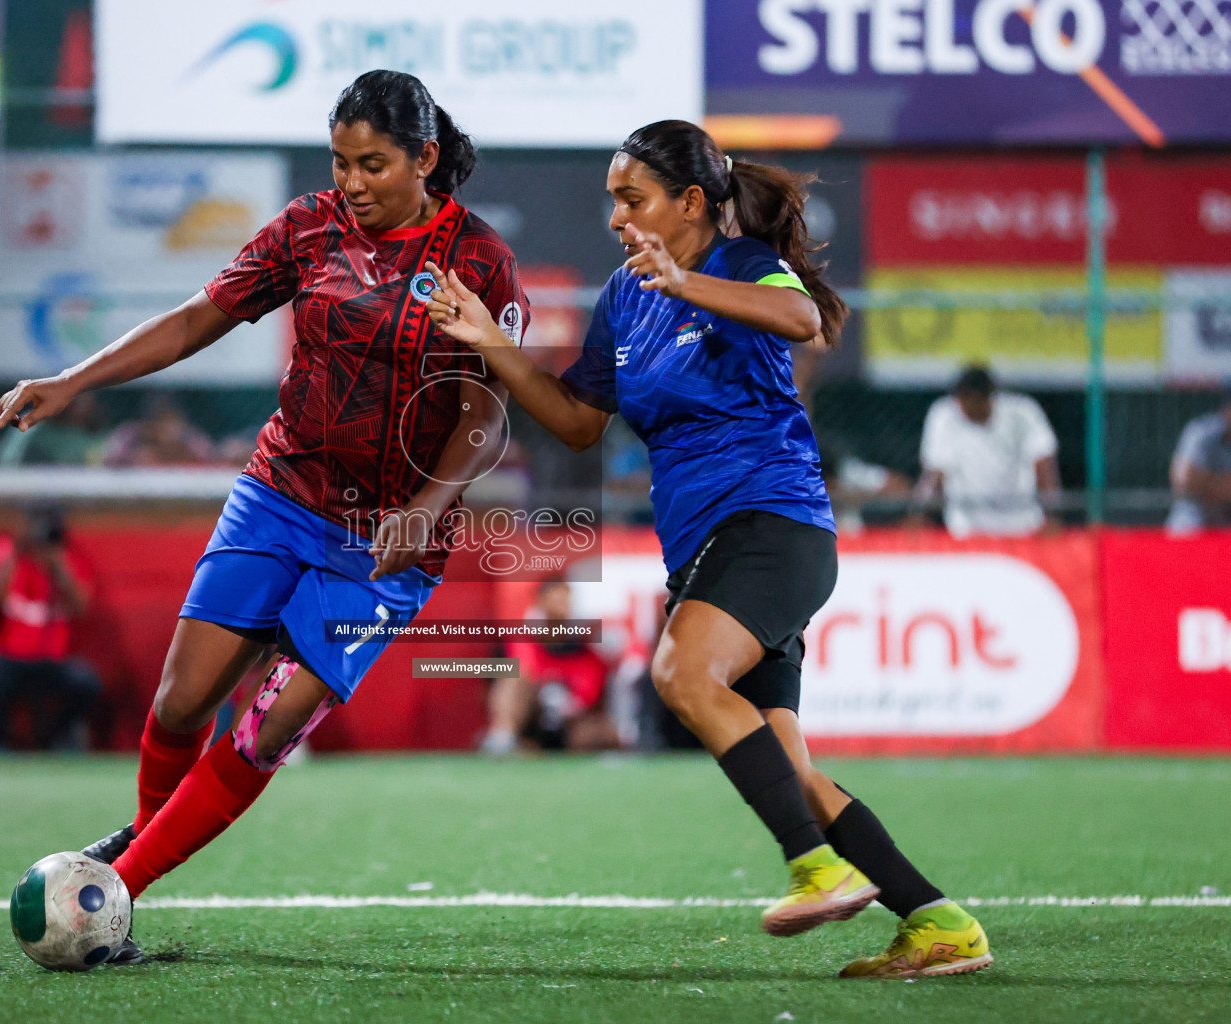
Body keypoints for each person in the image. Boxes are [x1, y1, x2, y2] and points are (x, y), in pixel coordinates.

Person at [423, 119, 990, 979]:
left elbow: (801, 316)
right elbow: (578, 422)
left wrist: (688, 282)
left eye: (632, 198)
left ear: (691, 202)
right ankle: (939, 923)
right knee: (790, 772)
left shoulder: (736, 265)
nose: (615, 216)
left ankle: (815, 867)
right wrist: (492, 345)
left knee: (682, 674)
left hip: (773, 526)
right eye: (611, 199)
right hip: (707, 550)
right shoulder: (625, 295)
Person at [0, 70, 527, 964]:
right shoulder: (309, 225)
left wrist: (429, 505)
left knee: (267, 725)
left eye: (374, 164)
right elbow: (201, 317)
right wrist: (73, 380)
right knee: (180, 703)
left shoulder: (478, 261)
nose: (352, 182)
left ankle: (120, 888)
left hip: (387, 544)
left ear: (425, 158)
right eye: (341, 161)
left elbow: (488, 411)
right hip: (280, 493)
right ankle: (135, 858)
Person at [0, 507, 103, 751]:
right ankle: (0, 741)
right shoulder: (5, 552)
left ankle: (56, 737)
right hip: (8, 657)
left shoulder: (67, 557)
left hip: (53, 660)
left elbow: (81, 607)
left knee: (87, 681)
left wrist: (58, 566)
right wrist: (16, 553)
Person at [914, 365, 1059, 537]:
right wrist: (917, 516)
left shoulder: (1022, 413)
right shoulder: (944, 415)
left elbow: (1044, 466)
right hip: (967, 529)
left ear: (990, 397)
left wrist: (1053, 518)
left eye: (973, 400)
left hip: (1021, 524)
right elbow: (934, 474)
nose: (966, 407)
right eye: (962, 400)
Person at [481, 580, 619, 754]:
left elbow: (590, 697)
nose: (560, 607)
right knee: (513, 678)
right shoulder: (520, 643)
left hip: (569, 723)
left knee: (599, 734)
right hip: (531, 717)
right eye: (554, 600)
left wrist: (570, 707)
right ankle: (503, 738)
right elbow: (501, 687)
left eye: (565, 601)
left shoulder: (587, 653)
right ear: (540, 602)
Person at [1166, 393, 1231, 533]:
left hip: (1225, 521)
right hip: (1193, 520)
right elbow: (1183, 483)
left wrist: (1205, 482)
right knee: (1186, 524)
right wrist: (1221, 486)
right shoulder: (1202, 431)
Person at [0, 390, 108, 467]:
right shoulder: (31, 426)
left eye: (83, 392)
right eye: (71, 392)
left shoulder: (100, 436)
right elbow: (7, 465)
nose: (76, 399)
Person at [102, 393, 215, 467]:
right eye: (159, 418)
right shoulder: (131, 433)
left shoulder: (187, 436)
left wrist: (179, 449)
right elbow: (110, 460)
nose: (164, 427)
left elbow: (210, 459)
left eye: (168, 418)